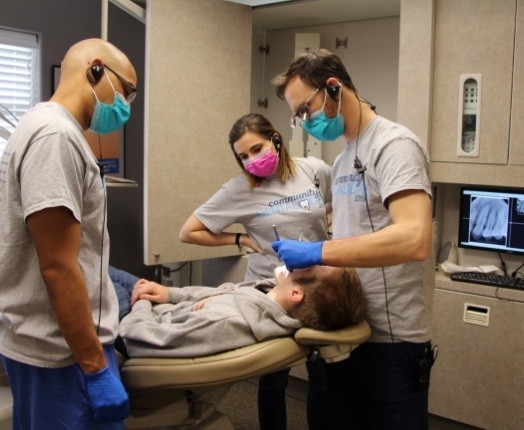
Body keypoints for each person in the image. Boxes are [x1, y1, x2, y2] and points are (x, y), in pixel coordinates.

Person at [270, 48, 435, 429]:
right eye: (297, 116)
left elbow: (415, 238)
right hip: (349, 328)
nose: (303, 121)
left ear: (333, 88)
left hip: (394, 340)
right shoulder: (344, 160)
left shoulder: (394, 145)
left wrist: (319, 250)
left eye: (304, 110)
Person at [0, 38, 137, 430]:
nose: (126, 104)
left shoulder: (47, 127)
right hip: (65, 357)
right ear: (96, 70)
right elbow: (59, 267)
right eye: (126, 91)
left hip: (55, 349)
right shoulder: (54, 137)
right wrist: (95, 368)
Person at [179, 113, 332, 429]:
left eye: (256, 149)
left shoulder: (313, 170)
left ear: (275, 138)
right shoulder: (239, 190)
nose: (251, 160)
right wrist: (240, 237)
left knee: (324, 375)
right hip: (271, 291)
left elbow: (331, 203)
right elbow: (189, 231)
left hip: (317, 287)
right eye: (243, 156)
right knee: (273, 379)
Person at [119, 265, 364, 358]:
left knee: (89, 264)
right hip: (160, 306)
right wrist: (170, 294)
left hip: (131, 322)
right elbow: (226, 291)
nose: (308, 258)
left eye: (317, 264)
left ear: (296, 294)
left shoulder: (226, 321)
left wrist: (141, 302)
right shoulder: (266, 294)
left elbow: (140, 339)